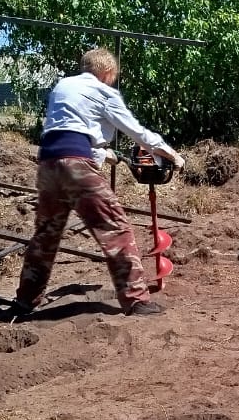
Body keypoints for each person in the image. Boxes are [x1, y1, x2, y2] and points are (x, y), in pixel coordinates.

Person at [14, 47, 185, 316]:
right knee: (115, 228)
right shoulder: (105, 92)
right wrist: (169, 153)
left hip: (48, 163)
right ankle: (136, 300)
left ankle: (25, 301)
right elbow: (137, 132)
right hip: (76, 166)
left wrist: (104, 154)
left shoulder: (63, 86)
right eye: (113, 77)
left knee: (46, 235)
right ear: (107, 73)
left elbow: (69, 131)